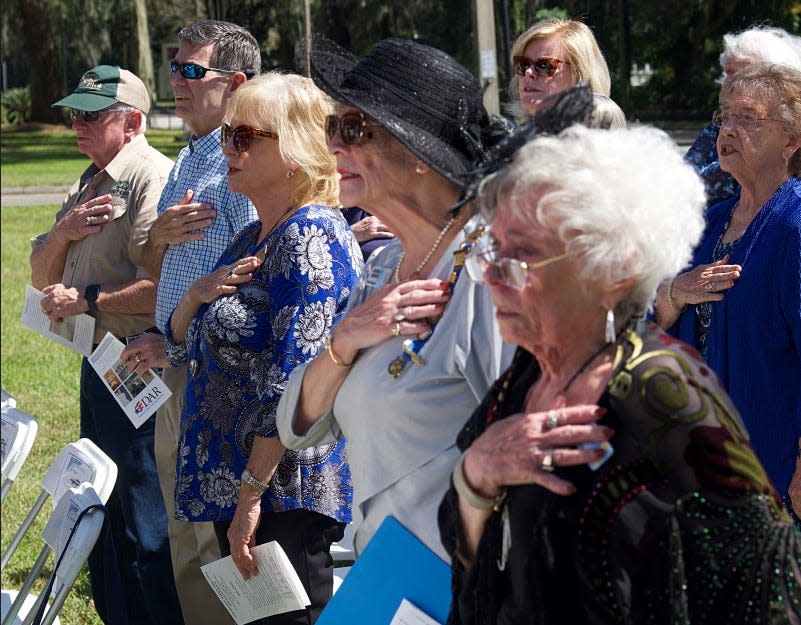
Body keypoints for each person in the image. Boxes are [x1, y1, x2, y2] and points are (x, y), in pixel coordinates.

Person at [438, 123, 801, 625]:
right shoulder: (528, 377)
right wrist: (476, 476)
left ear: (613, 271)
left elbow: (768, 588)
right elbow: (469, 558)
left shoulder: (664, 391)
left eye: (524, 258)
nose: (495, 279)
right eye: (492, 253)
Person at [276, 36, 515, 562]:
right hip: (388, 580)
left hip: (468, 587)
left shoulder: (494, 273)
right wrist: (344, 339)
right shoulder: (382, 271)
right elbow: (298, 426)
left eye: (353, 129)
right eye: (329, 127)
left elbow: (534, 461)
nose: (333, 147)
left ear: (421, 153)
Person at [164, 71, 361, 624]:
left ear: (295, 150)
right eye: (227, 133)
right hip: (243, 488)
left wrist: (250, 495)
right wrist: (194, 299)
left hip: (281, 494)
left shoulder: (310, 234)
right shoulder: (253, 236)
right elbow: (185, 343)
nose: (228, 148)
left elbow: (297, 382)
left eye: (245, 137)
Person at [30, 65, 181, 625]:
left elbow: (164, 287)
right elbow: (40, 272)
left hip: (139, 363)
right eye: (73, 113)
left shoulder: (149, 177)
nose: (77, 125)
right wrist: (65, 232)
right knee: (105, 508)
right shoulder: (92, 178)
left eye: (92, 115)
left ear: (134, 121)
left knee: (143, 518)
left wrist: (88, 298)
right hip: (101, 363)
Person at [121, 20, 260, 624]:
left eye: (191, 71)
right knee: (186, 529)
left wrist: (178, 341)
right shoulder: (190, 158)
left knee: (210, 535)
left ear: (236, 83)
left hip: (212, 374)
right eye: (173, 67)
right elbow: (160, 258)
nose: (175, 82)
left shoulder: (240, 159)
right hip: (174, 357)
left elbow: (248, 274)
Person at [655, 63, 801, 526]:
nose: (728, 130)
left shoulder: (794, 225)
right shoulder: (711, 222)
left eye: (749, 118)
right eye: (725, 117)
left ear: (792, 141)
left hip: (776, 476)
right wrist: (676, 291)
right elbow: (652, 324)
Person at [684, 25, 801, 204]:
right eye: (729, 73)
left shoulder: (792, 211)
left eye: (746, 73)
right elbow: (682, 177)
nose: (732, 82)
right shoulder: (720, 125)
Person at [508, 18, 611, 120]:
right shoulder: (513, 135)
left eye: (544, 65)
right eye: (523, 64)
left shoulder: (604, 136)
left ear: (579, 75)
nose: (528, 72)